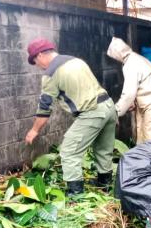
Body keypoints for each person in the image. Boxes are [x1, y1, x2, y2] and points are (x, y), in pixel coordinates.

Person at [24, 38, 117, 195]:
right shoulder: (76, 61)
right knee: (103, 149)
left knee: (68, 152)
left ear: (40, 55)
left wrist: (34, 130)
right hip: (108, 106)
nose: (38, 67)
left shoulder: (51, 74)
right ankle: (105, 184)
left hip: (92, 112)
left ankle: (75, 193)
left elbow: (45, 108)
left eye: (35, 62)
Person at [107, 37, 151, 143]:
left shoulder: (130, 63)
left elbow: (128, 94)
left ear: (117, 54)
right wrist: (133, 102)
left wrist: (115, 112)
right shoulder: (135, 58)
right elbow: (141, 85)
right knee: (145, 135)